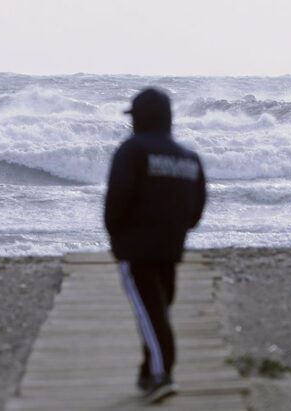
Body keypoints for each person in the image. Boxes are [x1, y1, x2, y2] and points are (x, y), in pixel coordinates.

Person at [104, 88, 207, 404]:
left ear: (141, 119)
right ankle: (149, 369)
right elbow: (197, 207)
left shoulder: (132, 150)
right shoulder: (188, 158)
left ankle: (162, 375)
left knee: (150, 313)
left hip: (136, 249)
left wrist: (115, 235)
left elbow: (117, 197)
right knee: (157, 311)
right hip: (171, 248)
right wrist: (177, 232)